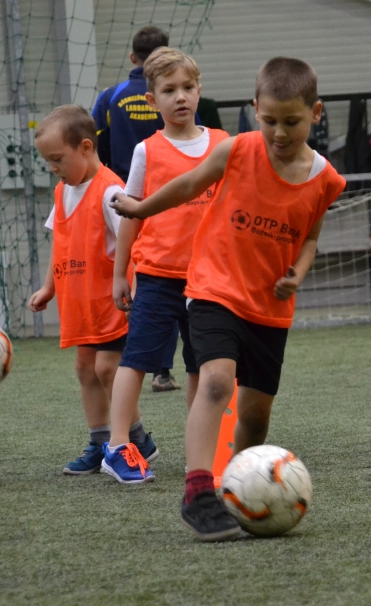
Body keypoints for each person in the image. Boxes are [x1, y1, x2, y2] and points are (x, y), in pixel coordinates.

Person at [111, 56, 346, 540]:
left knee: (256, 415)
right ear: (254, 109)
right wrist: (140, 207)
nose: (279, 133)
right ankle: (197, 493)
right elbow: (186, 186)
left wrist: (297, 274)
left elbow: (309, 236)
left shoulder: (326, 179)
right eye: (269, 121)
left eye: (292, 122)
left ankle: (243, 488)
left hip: (269, 308)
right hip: (214, 287)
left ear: (316, 114)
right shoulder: (236, 150)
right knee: (216, 382)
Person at [100, 48, 229, 483]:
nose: (181, 97)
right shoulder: (146, 152)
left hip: (209, 282)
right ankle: (117, 446)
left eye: (188, 88)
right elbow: (129, 215)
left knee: (200, 365)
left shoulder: (223, 144)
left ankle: (201, 448)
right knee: (136, 360)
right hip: (156, 276)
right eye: (169, 90)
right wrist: (121, 274)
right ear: (152, 100)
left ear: (199, 90)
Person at [27, 106, 134, 477]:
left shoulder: (111, 191)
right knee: (86, 370)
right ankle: (98, 442)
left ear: (86, 147)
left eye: (57, 159)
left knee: (108, 368)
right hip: (79, 304)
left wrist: (131, 288)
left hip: (111, 303)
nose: (52, 168)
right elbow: (61, 244)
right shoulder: (62, 192)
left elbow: (131, 242)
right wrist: (47, 288)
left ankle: (134, 438)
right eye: (48, 161)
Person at [92, 24, 180, 393]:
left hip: (124, 200)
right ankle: (163, 369)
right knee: (170, 275)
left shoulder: (111, 97)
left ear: (133, 57)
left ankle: (126, 354)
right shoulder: (176, 95)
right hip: (171, 199)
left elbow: (96, 144)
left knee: (138, 276)